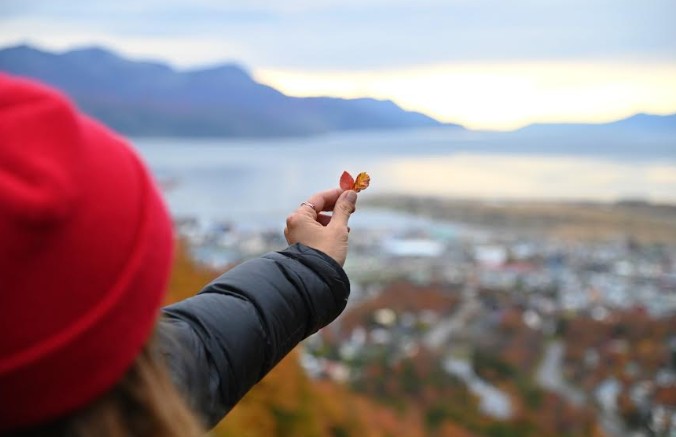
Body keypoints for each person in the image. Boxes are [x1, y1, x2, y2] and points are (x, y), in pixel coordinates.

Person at [0, 73, 358, 436]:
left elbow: (208, 347)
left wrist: (307, 266)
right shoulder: (140, 405)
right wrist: (311, 267)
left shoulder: (90, 380)